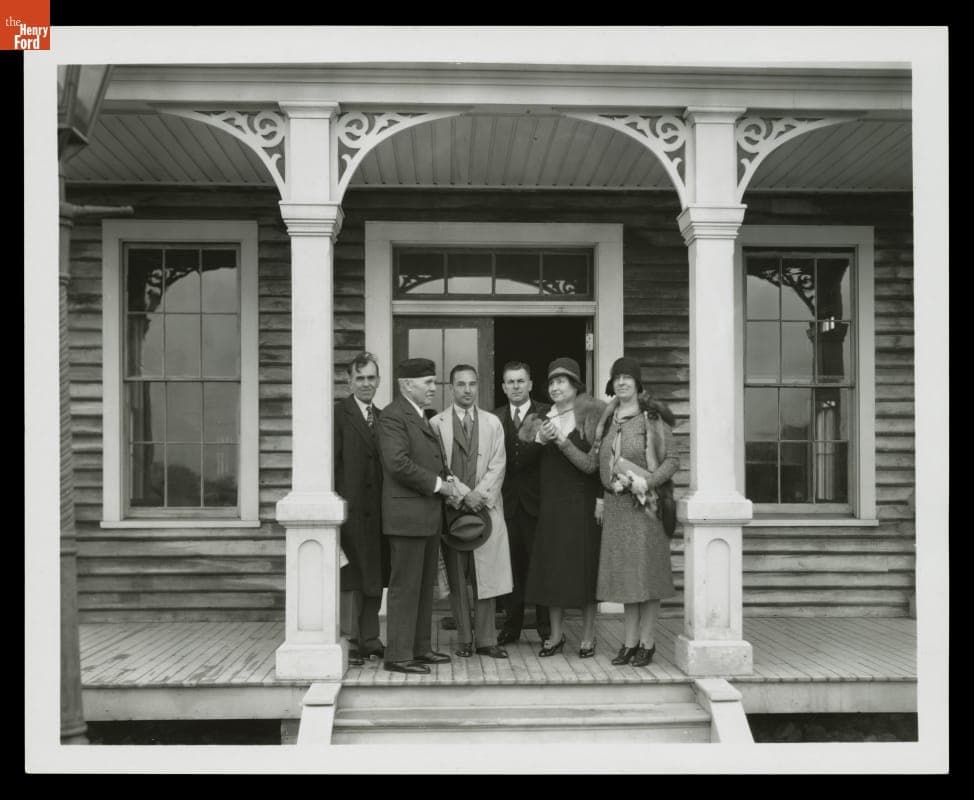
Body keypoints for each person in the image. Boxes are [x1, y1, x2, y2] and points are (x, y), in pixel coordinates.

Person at [594, 357, 679, 668]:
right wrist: (608, 488)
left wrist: (646, 481)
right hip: (618, 508)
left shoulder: (651, 419)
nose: (622, 382)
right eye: (617, 377)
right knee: (627, 578)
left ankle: (647, 642)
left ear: (638, 383)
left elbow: (672, 460)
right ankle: (628, 643)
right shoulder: (608, 421)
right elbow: (602, 464)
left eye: (628, 377)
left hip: (646, 507)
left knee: (647, 576)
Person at [375, 357, 458, 674]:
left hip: (424, 516)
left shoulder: (419, 416)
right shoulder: (394, 417)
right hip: (407, 518)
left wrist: (446, 477)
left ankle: (420, 648)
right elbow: (397, 463)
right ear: (407, 385)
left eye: (433, 383)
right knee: (405, 587)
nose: (433, 389)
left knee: (424, 587)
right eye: (428, 383)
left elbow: (430, 458)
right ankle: (397, 655)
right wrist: (438, 485)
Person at [521, 357, 605, 658]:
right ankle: (555, 636)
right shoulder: (539, 416)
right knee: (552, 571)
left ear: (575, 385)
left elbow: (595, 466)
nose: (555, 387)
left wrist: (600, 499)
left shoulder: (593, 414)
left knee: (584, 570)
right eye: (552, 382)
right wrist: (540, 441)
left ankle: (587, 635)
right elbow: (521, 463)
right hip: (551, 504)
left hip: (582, 504)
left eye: (561, 382)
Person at [430, 364, 513, 659]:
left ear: (478, 387)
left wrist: (481, 495)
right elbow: (439, 466)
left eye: (472, 384)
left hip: (486, 509)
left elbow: (498, 463)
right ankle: (464, 638)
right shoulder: (437, 424)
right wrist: (465, 495)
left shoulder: (493, 423)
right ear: (451, 388)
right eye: (461, 384)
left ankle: (487, 639)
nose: (467, 390)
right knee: (457, 577)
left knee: (487, 576)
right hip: (454, 509)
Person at [334, 352, 389, 666]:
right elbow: (330, 465)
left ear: (378, 381)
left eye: (371, 378)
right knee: (352, 580)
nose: (366, 384)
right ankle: (351, 641)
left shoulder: (383, 417)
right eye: (360, 378)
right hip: (351, 512)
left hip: (378, 512)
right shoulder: (339, 415)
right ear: (349, 381)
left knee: (374, 577)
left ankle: (371, 639)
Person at [493, 361, 551, 645]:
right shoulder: (496, 417)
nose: (515, 386)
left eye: (520, 381)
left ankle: (545, 627)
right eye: (510, 382)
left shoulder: (545, 414)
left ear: (529, 384)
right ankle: (511, 625)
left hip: (538, 503)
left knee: (539, 565)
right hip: (507, 504)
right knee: (511, 567)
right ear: (503, 387)